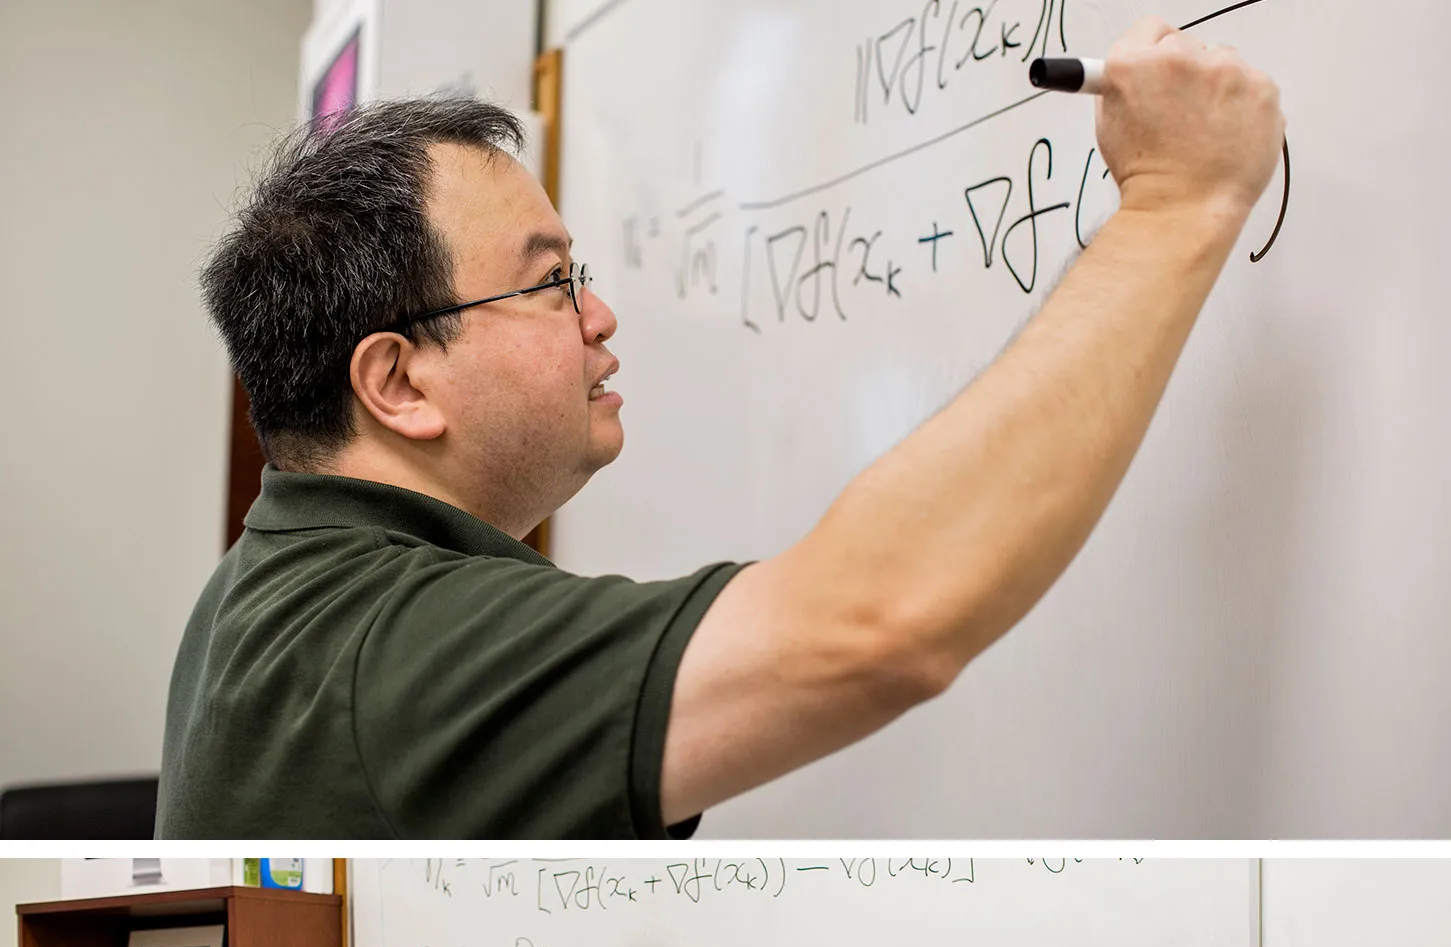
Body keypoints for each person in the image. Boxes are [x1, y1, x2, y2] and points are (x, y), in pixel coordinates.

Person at [156, 18, 1285, 837]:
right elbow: (878, 624)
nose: (598, 315)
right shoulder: (395, 649)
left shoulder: (274, 576)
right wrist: (1178, 204)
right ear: (396, 383)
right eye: (548, 283)